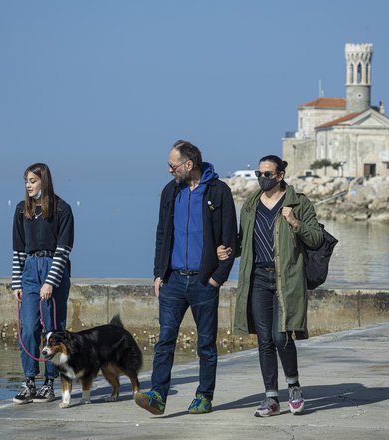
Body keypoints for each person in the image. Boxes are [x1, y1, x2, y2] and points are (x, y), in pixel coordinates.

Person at [134, 140, 237, 415]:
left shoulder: (219, 191)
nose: (170, 170)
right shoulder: (170, 192)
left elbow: (230, 240)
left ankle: (203, 396)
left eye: (173, 165)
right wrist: (158, 274)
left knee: (206, 343)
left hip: (205, 282)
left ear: (188, 165)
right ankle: (157, 395)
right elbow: (161, 235)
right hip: (173, 281)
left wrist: (217, 278)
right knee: (165, 339)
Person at [218, 155, 323, 417]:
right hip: (258, 279)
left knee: (281, 336)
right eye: (259, 173)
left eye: (267, 174)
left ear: (280, 175)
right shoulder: (251, 205)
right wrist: (228, 251)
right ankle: (271, 398)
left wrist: (295, 223)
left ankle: (294, 387)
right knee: (264, 340)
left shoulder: (298, 203)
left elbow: (316, 238)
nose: (262, 178)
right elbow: (244, 241)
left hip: (286, 279)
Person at [11, 162, 74, 404]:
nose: (28, 185)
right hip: (28, 271)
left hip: (53, 269)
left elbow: (64, 249)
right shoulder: (20, 210)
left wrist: (50, 281)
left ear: (44, 182)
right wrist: (17, 283)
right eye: (26, 181)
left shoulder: (62, 209)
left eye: (33, 181)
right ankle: (29, 381)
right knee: (28, 327)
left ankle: (50, 383)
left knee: (52, 329)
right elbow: (17, 249)